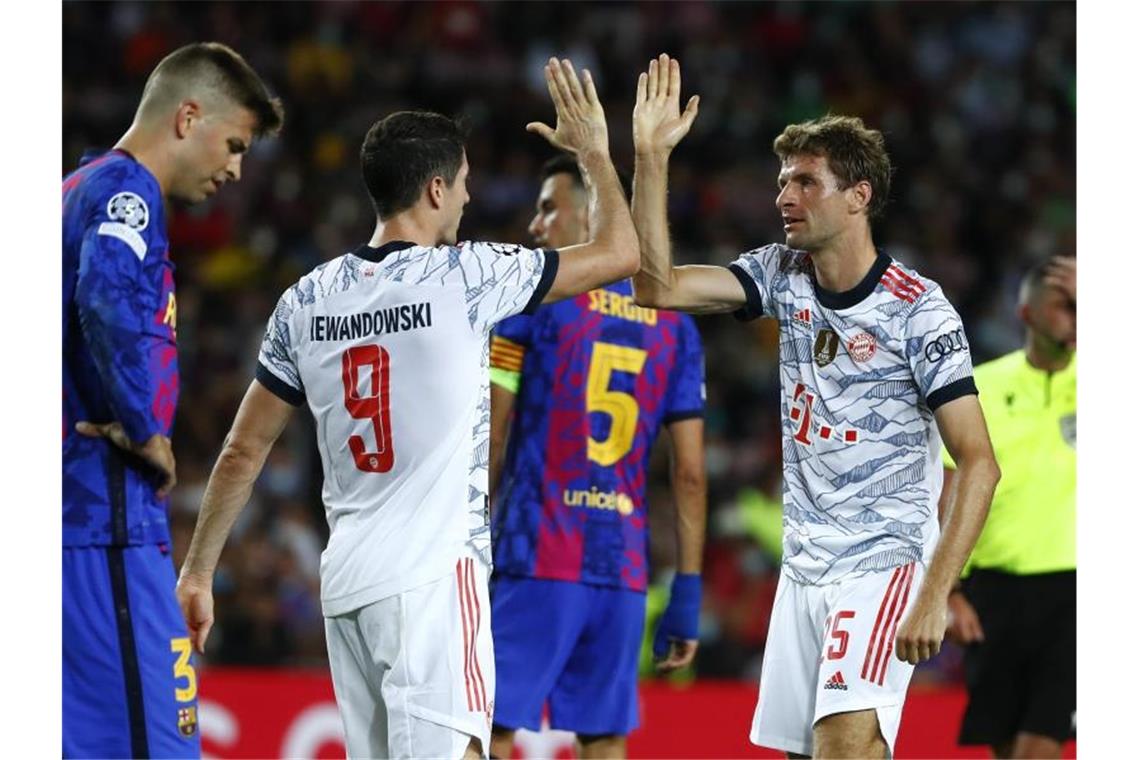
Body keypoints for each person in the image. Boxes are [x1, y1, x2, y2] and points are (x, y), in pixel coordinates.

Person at [174, 58, 638, 760]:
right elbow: (622, 253)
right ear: (435, 187)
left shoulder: (305, 299)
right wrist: (597, 154)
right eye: (463, 188)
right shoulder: (467, 276)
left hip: (349, 587)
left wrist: (198, 571)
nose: (468, 203)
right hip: (431, 580)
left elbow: (242, 450)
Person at [629, 54, 1001, 759]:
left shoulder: (919, 312)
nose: (784, 196)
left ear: (858, 196)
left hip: (884, 561)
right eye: (781, 181)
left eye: (805, 181)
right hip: (803, 570)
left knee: (844, 745)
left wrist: (933, 591)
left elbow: (979, 463)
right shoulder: (780, 273)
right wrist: (650, 157)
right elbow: (657, 288)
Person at [62, 42, 283, 758]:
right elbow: (104, 295)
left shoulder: (73, 189)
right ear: (188, 117)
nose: (236, 168)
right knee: (161, 742)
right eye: (234, 144)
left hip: (80, 522)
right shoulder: (127, 195)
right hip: (104, 526)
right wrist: (144, 426)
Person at [486, 154, 708, 759]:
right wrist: (687, 586)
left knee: (492, 728)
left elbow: (494, 434)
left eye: (548, 207)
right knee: (605, 737)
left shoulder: (527, 304)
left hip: (537, 552)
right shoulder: (676, 326)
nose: (536, 224)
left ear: (591, 216)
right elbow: (688, 473)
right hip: (622, 567)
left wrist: (472, 533)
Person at [942, 256, 1076, 759]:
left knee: (1040, 743)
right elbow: (949, 492)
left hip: (1074, 589)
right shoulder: (984, 387)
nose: (1074, 314)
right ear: (1026, 315)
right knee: (1007, 747)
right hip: (992, 593)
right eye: (1062, 304)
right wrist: (948, 590)